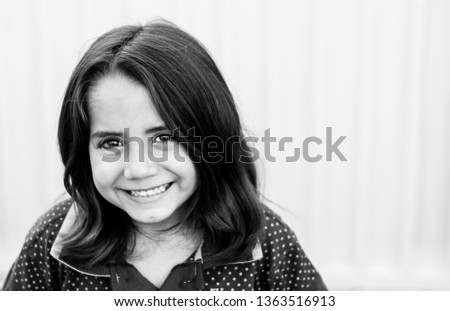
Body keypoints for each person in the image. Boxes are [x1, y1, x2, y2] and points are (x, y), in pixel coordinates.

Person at [2, 20, 326, 291]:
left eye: (165, 137)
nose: (138, 169)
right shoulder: (54, 241)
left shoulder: (265, 241)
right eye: (112, 143)